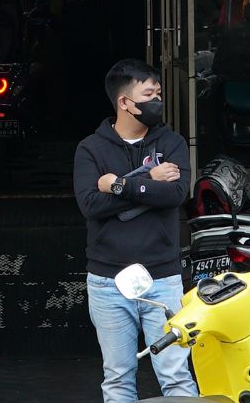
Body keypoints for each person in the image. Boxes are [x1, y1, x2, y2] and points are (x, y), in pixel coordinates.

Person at [73, 59, 198, 403]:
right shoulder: (90, 148)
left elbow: (176, 194)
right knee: (118, 378)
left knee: (176, 375)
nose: (157, 100)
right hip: (108, 281)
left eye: (158, 94)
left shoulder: (171, 142)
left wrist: (119, 186)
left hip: (163, 277)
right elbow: (90, 205)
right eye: (149, 94)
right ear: (125, 102)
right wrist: (149, 181)